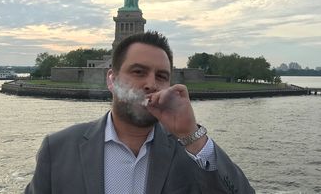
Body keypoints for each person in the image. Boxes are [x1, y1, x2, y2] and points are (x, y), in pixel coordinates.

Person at [25, 31, 255, 194]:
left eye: (161, 76)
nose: (151, 84)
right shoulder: (58, 149)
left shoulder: (190, 151)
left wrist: (192, 136)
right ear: (112, 80)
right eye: (138, 72)